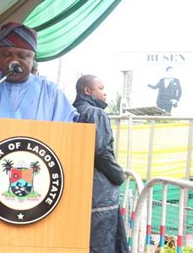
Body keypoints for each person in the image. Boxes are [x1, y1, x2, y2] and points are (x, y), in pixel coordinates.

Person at [0, 22, 78, 122]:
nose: (14, 61)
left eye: (22, 56)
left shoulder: (51, 92)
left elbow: (66, 136)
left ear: (33, 59)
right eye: (7, 54)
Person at [72, 74, 127, 253]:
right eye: (101, 88)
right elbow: (101, 151)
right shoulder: (96, 113)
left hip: (75, 190)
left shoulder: (69, 112)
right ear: (87, 90)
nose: (105, 92)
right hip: (99, 194)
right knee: (101, 244)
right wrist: (118, 175)